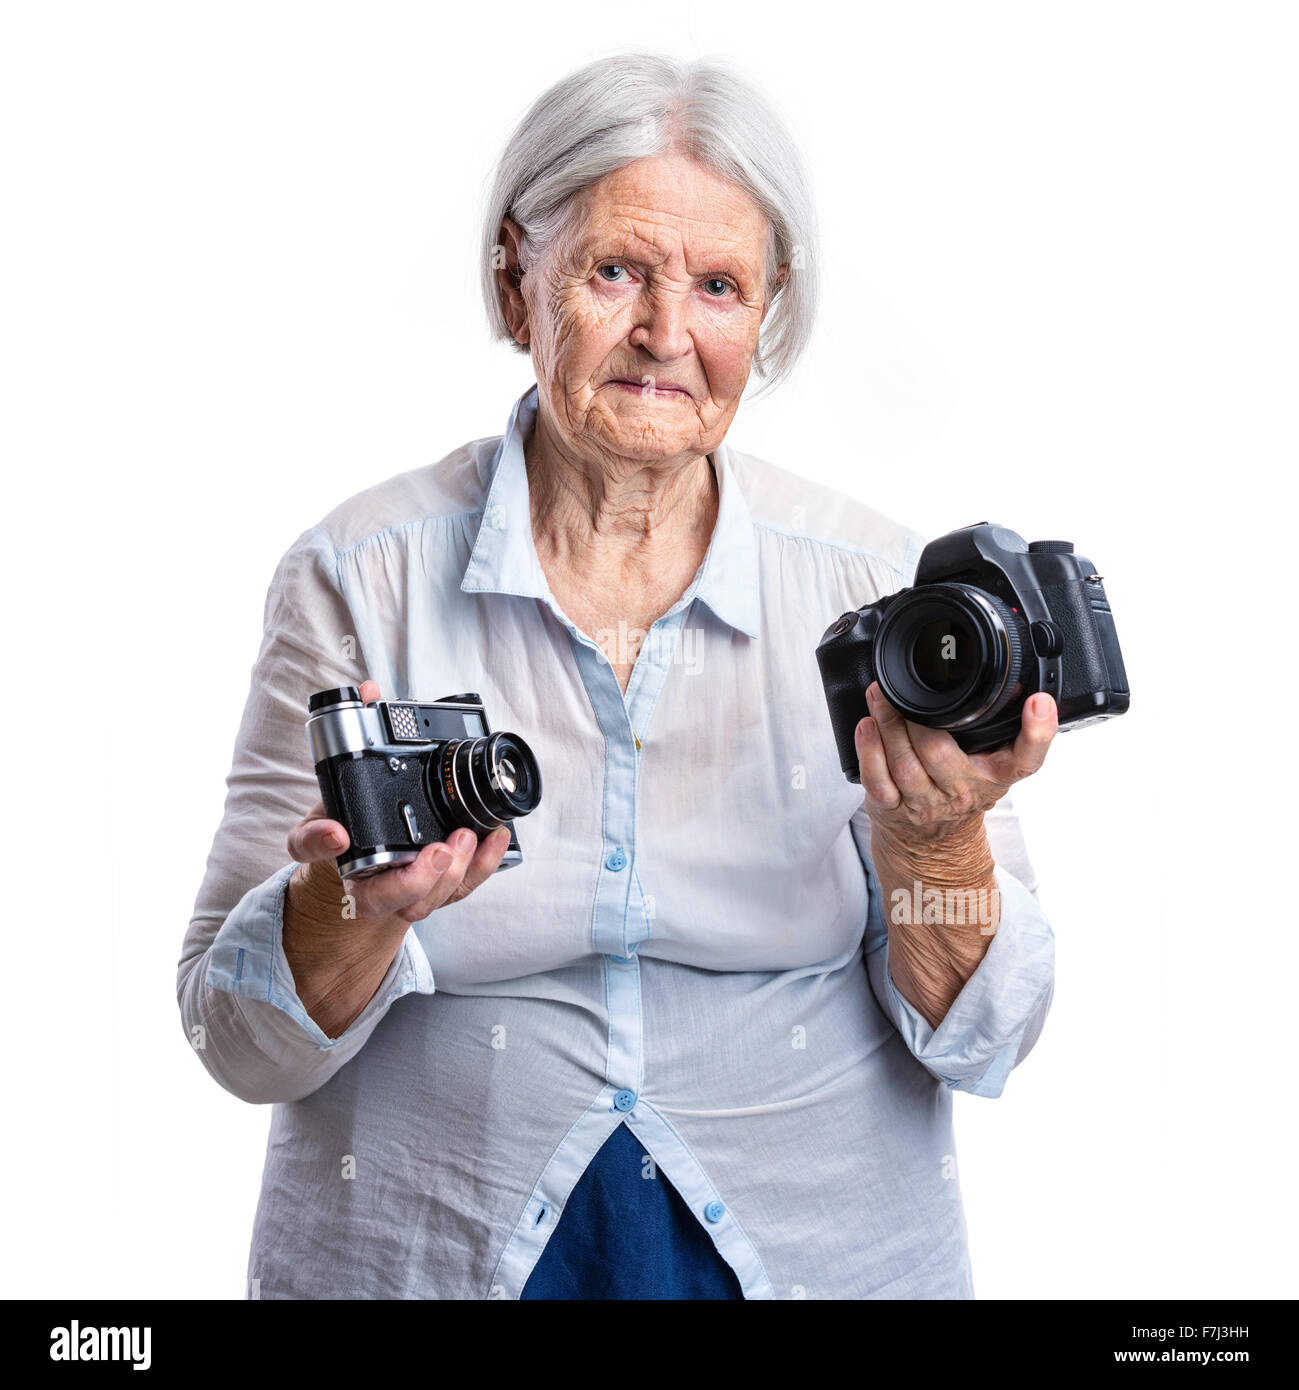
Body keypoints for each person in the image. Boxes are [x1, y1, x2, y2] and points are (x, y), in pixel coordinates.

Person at [178, 52, 1057, 1300]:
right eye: (615, 272)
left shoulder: (878, 592)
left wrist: (937, 850)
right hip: (429, 1258)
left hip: (810, 1260)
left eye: (718, 285)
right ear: (512, 275)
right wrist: (354, 918)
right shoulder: (358, 578)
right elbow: (235, 1035)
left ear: (767, 310)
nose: (666, 334)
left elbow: (987, 1038)